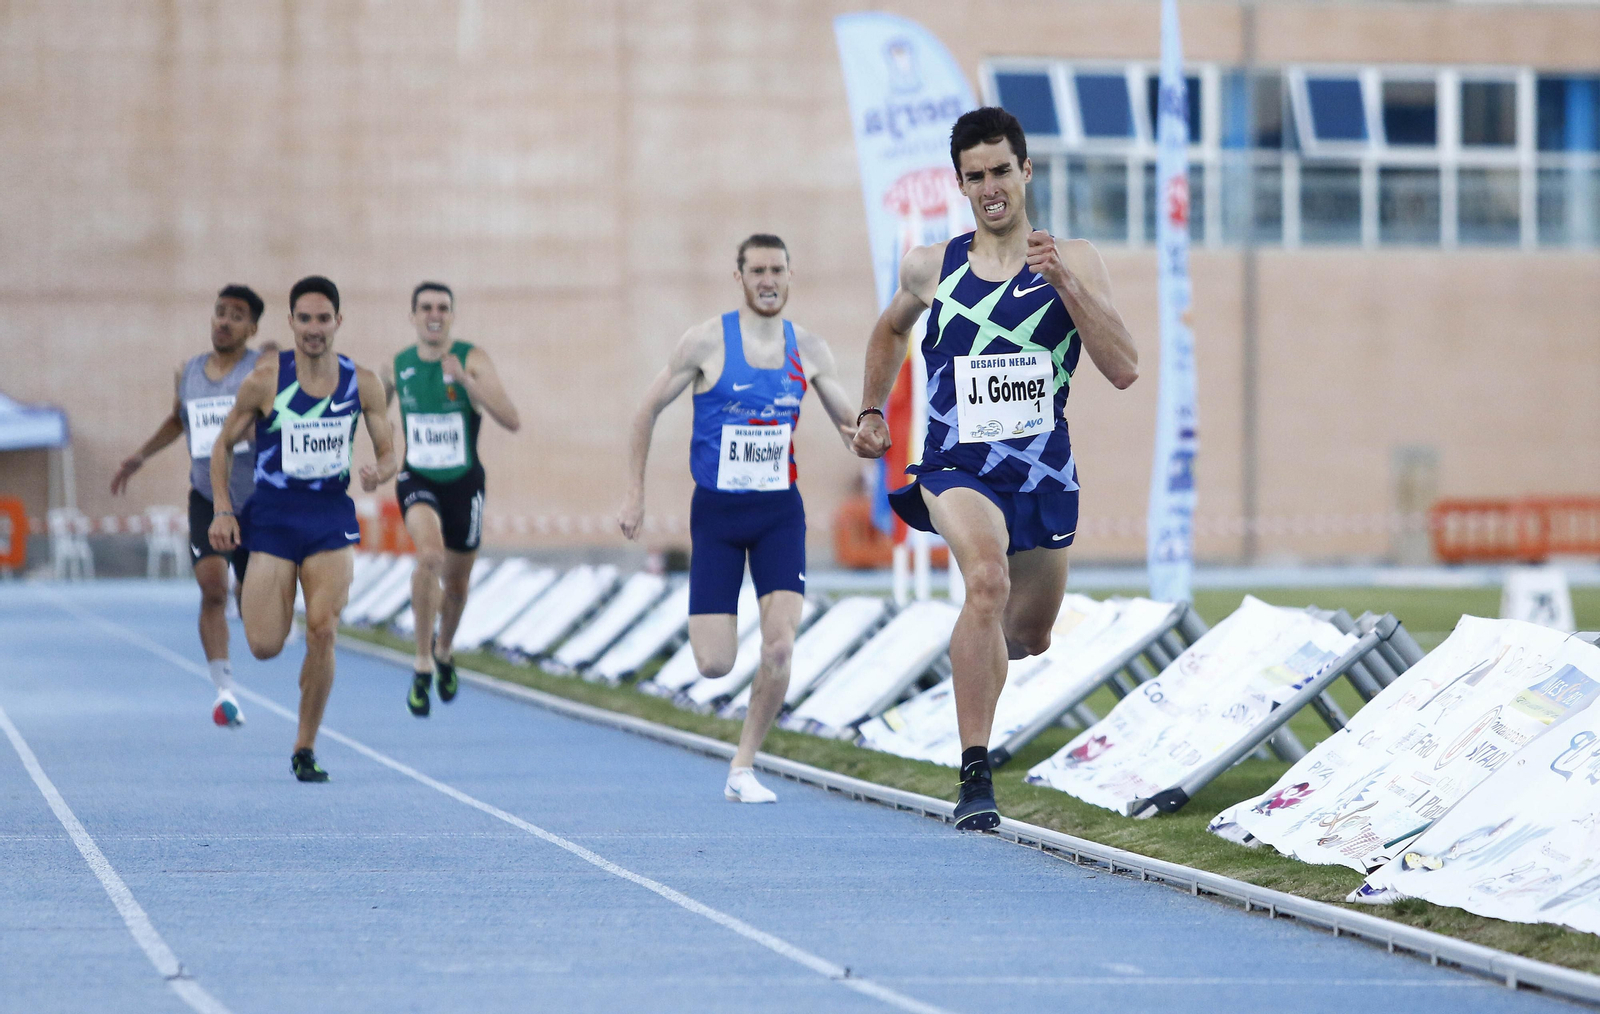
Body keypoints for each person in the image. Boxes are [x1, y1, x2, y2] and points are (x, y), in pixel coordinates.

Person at [852, 107, 1139, 830]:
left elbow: (1126, 369)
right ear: (961, 183)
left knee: (1027, 633)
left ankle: (970, 656)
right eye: (974, 176)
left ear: (1026, 170)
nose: (989, 188)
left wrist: (1066, 285)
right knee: (985, 578)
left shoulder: (1074, 257)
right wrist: (871, 409)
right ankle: (975, 775)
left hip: (1041, 475)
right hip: (955, 466)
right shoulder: (933, 265)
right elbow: (890, 328)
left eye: (1001, 171)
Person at [621, 234, 858, 803]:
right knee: (713, 663)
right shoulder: (704, 342)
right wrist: (636, 495)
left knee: (779, 647)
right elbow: (644, 412)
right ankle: (720, 641)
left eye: (778, 269)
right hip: (718, 517)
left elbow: (854, 428)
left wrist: (873, 434)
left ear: (790, 274)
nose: (768, 280)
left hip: (779, 512)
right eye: (757, 270)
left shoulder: (811, 348)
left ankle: (743, 767)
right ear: (740, 277)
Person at [208, 275, 397, 782]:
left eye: (324, 318)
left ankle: (304, 746)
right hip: (271, 516)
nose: (315, 329)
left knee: (323, 629)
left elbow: (387, 448)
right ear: (291, 323)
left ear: (338, 321)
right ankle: (261, 594)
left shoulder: (364, 383)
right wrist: (223, 509)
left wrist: (383, 470)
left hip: (328, 518)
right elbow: (222, 445)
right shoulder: (266, 379)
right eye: (305, 319)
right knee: (265, 646)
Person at [110, 284, 270, 728]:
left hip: (257, 502)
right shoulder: (189, 372)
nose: (224, 321)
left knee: (255, 605)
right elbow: (179, 419)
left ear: (252, 327)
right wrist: (141, 455)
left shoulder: (263, 372)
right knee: (212, 588)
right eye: (220, 312)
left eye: (236, 315)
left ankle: (252, 596)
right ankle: (224, 691)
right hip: (207, 497)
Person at [386, 282, 520, 717]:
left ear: (451, 315)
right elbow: (366, 417)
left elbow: (510, 418)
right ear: (412, 316)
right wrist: (378, 462)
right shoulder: (397, 366)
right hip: (417, 477)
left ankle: (444, 651)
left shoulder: (472, 357)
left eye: (443, 307)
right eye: (425, 307)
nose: (434, 314)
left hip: (464, 482)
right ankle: (422, 661)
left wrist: (465, 382)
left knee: (458, 584)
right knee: (429, 556)